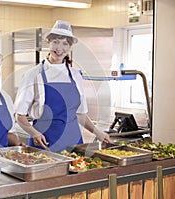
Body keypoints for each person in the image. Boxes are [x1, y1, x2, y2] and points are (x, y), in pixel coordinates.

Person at [14, 20, 112, 152]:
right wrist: (34, 133)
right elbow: (19, 116)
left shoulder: (75, 75)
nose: (59, 48)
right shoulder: (33, 75)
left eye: (65, 43)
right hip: (44, 142)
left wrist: (98, 133)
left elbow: (80, 114)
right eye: (55, 42)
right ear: (48, 42)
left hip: (74, 142)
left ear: (70, 47)